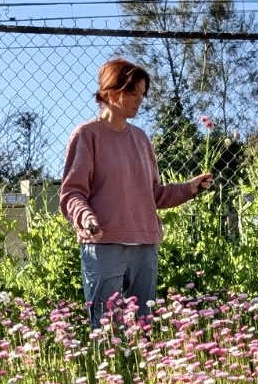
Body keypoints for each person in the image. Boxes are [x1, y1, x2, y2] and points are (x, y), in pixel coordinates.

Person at [58, 59, 213, 329]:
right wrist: (86, 219)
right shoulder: (87, 136)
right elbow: (72, 192)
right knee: (108, 329)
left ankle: (142, 372)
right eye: (133, 93)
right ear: (110, 92)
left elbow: (154, 195)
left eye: (142, 94)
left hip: (144, 245)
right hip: (104, 245)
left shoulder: (141, 139)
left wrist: (189, 188)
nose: (139, 100)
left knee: (144, 328)